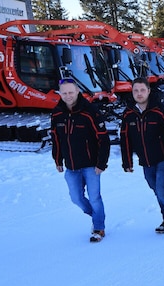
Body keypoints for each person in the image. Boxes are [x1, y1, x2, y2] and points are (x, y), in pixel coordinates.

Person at [50, 77, 110, 243]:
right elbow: (56, 139)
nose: (68, 96)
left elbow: (103, 139)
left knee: (95, 197)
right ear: (60, 94)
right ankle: (97, 215)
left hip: (91, 166)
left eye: (71, 92)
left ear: (77, 92)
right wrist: (57, 160)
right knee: (76, 198)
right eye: (64, 93)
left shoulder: (90, 112)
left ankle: (99, 228)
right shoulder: (57, 114)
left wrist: (101, 163)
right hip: (71, 166)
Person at [120, 77, 164, 235]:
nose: (139, 94)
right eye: (136, 90)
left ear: (148, 91)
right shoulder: (129, 113)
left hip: (163, 157)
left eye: (142, 90)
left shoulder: (159, 110)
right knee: (156, 189)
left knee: (161, 189)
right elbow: (125, 138)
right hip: (146, 161)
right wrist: (127, 161)